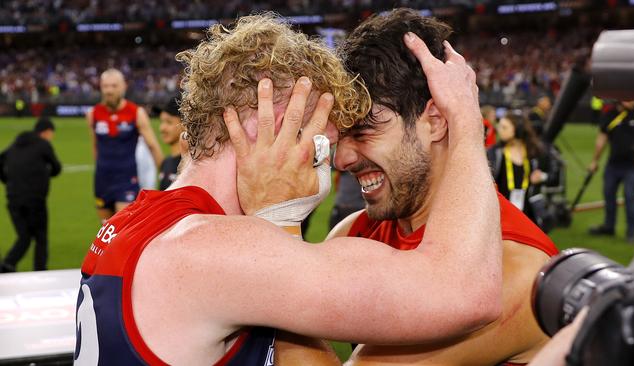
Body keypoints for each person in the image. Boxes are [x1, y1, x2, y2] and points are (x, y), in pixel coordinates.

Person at [74, 14, 502, 365]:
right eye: (322, 146)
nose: (331, 164)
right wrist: (464, 118)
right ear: (272, 127)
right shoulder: (214, 250)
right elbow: (466, 294)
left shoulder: (140, 221)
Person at [331, 9, 558, 365]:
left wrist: (274, 218)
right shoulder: (356, 233)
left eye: (363, 131)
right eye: (340, 135)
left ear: (435, 121)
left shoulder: (515, 270)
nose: (340, 159)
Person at [86, 68, 164, 223]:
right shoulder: (93, 114)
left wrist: (166, 175)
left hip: (126, 180)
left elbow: (153, 146)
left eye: (114, 86)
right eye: (105, 86)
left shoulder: (136, 113)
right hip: (102, 180)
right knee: (105, 230)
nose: (109, 90)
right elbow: (95, 146)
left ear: (123, 87)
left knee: (122, 228)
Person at [0, 118, 61, 272]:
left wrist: (6, 179)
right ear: (47, 132)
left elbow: (1, 160)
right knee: (40, 237)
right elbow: (57, 167)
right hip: (35, 199)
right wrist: (47, 173)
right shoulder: (43, 144)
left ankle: (7, 265)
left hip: (13, 198)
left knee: (25, 236)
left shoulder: (15, 145)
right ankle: (40, 271)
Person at [489, 111, 554, 230]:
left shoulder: (536, 152)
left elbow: (553, 177)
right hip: (502, 215)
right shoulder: (494, 153)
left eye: (504, 127)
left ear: (517, 129)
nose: (499, 129)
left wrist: (542, 177)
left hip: (529, 215)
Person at [588, 100, 634, 243]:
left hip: (632, 167)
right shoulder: (610, 114)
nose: (632, 101)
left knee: (630, 198)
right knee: (609, 196)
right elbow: (602, 138)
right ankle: (609, 227)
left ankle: (631, 233)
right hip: (613, 164)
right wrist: (594, 161)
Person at [157, 94, 183, 190]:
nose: (162, 128)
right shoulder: (166, 162)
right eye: (161, 122)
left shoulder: (190, 163)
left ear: (185, 124)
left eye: (169, 122)